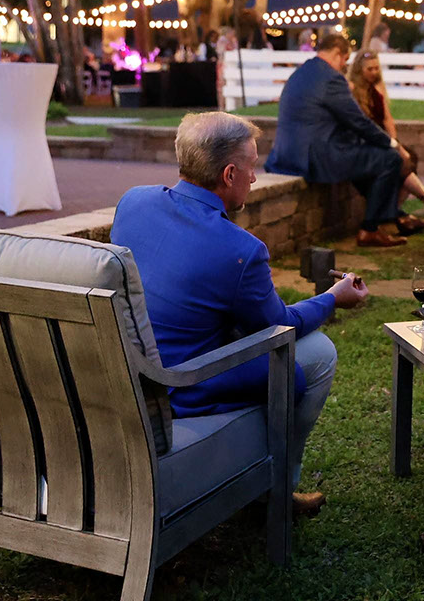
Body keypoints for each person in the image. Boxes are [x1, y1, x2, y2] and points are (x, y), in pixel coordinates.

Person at [111, 112, 370, 515]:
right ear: (229, 174)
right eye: (252, 167)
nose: (255, 177)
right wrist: (333, 298)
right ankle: (278, 489)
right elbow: (278, 325)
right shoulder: (239, 249)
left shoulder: (133, 202)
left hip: (127, 368)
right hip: (178, 384)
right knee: (313, 360)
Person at [266, 33, 408, 246]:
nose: (344, 65)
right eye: (344, 59)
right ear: (336, 53)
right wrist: (393, 143)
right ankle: (370, 229)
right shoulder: (331, 78)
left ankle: (392, 216)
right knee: (389, 159)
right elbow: (357, 121)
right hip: (315, 158)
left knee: (367, 158)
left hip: (286, 154)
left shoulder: (302, 73)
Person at [348, 51, 424, 222]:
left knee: (410, 157)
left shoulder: (377, 88)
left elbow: (387, 118)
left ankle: (395, 207)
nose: (374, 72)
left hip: (384, 139)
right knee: (400, 160)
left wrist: (395, 141)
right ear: (360, 70)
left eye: (376, 68)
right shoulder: (352, 90)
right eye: (369, 69)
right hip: (368, 141)